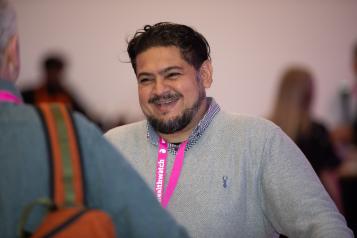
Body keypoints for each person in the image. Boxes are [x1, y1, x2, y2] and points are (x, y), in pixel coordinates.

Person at [105, 22, 353, 237]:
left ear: (205, 73)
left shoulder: (259, 141)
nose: (159, 90)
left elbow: (324, 227)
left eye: (172, 74)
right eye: (146, 79)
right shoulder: (113, 148)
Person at [0, 2, 188, 238]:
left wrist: (112, 122)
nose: (56, 75)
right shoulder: (43, 103)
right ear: (13, 53)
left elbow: (88, 115)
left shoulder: (65, 94)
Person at [269, 66, 343, 211]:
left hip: (278, 214)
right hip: (311, 212)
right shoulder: (317, 132)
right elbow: (329, 180)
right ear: (308, 95)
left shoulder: (267, 129)